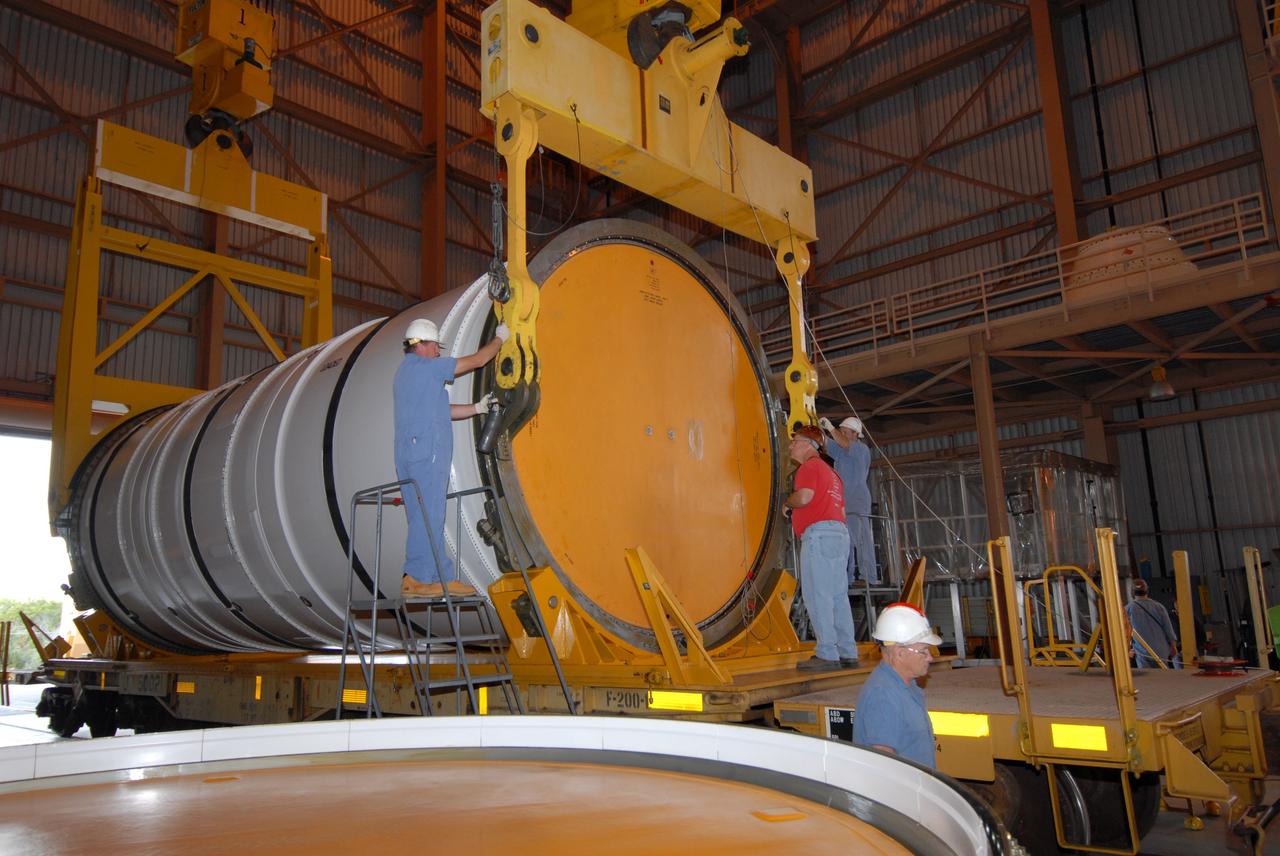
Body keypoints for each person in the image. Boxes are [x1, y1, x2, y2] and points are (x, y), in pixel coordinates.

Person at [394, 316, 506, 598]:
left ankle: (437, 577)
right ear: (421, 344)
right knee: (430, 513)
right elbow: (478, 360)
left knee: (423, 515)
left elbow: (443, 410)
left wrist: (477, 408)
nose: (438, 352)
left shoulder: (405, 374)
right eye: (435, 346)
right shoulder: (428, 368)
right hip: (428, 452)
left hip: (409, 453)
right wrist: (500, 338)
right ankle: (417, 577)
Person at [785, 424, 859, 671]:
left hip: (819, 536)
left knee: (818, 595)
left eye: (795, 441)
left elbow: (804, 498)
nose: (791, 445)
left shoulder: (809, 467)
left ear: (808, 445)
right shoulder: (832, 473)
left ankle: (827, 653)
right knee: (838, 596)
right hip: (839, 535)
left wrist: (787, 503)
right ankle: (847, 651)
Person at [853, 603, 940, 768]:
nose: (930, 658)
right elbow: (885, 766)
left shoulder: (907, 685)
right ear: (900, 653)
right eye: (923, 651)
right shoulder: (883, 696)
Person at [818, 415, 878, 585]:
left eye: (845, 432)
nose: (841, 435)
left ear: (855, 434)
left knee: (861, 538)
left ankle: (868, 576)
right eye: (840, 431)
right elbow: (824, 443)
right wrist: (815, 425)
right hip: (842, 500)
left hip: (857, 499)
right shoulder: (840, 450)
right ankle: (848, 576)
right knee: (846, 540)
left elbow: (842, 442)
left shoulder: (861, 449)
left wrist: (830, 428)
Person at [1126, 578, 1179, 668]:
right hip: (1161, 652)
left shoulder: (1128, 609)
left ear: (1132, 592)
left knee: (1147, 679)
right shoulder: (1159, 607)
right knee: (1162, 678)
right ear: (1147, 590)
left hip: (1143, 652)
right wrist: (1173, 646)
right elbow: (1168, 629)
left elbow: (1125, 632)